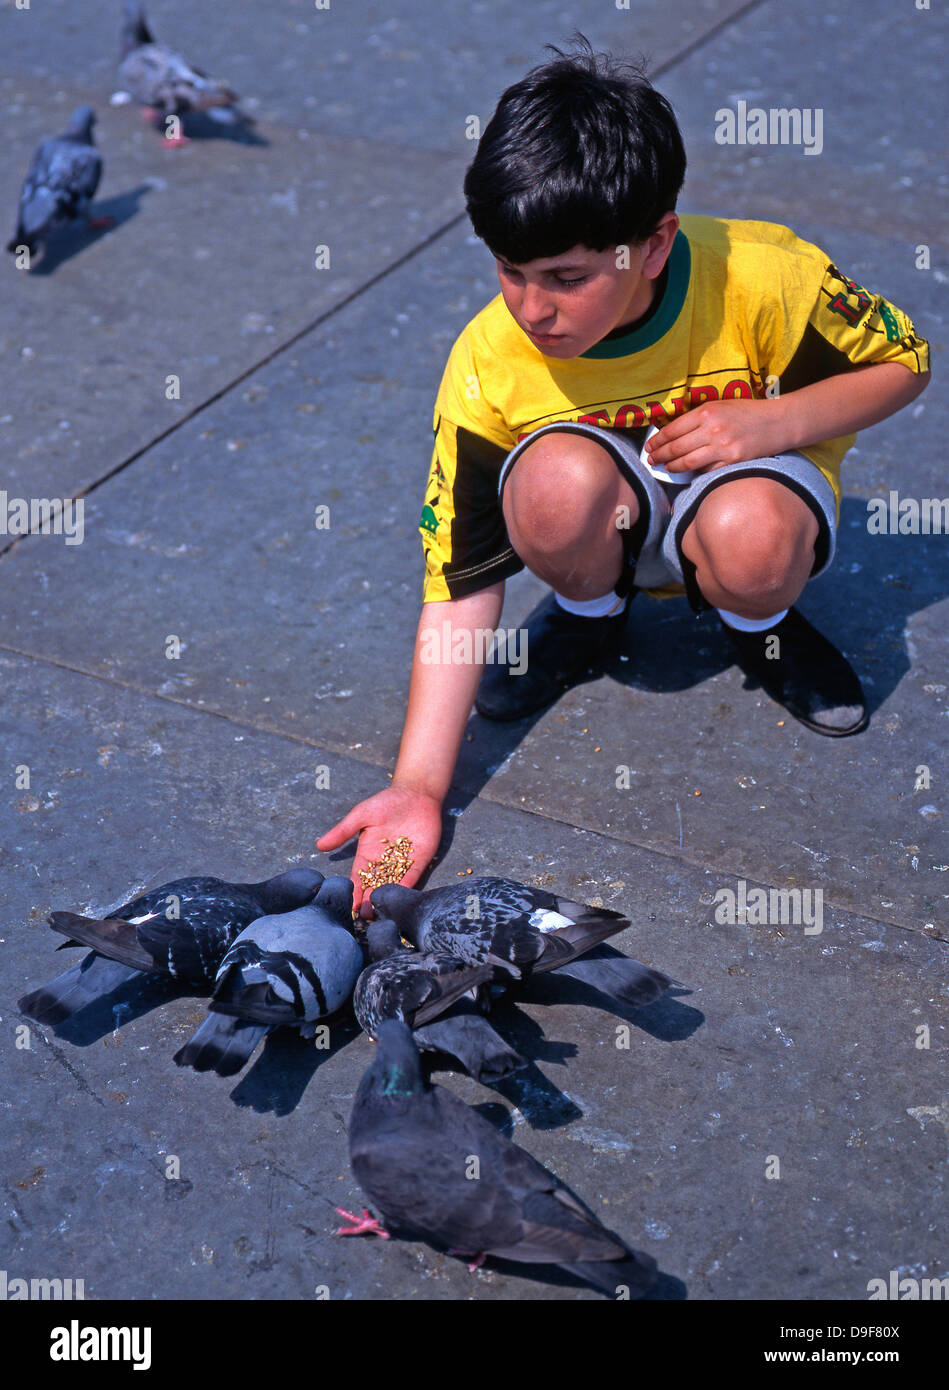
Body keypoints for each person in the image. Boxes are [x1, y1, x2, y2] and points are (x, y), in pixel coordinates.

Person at [319, 41, 930, 911]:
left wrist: (773, 420)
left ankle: (758, 623)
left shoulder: (764, 275)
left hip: (751, 494)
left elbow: (905, 361)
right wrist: (418, 784)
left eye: (565, 279)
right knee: (551, 485)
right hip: (606, 510)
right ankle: (586, 614)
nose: (531, 310)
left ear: (650, 246)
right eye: (509, 271)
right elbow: (458, 585)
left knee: (749, 537)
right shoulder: (489, 361)